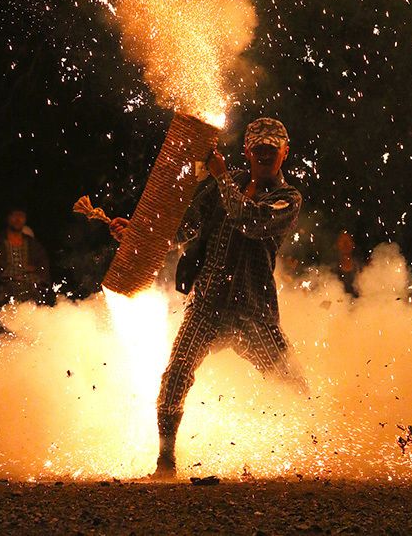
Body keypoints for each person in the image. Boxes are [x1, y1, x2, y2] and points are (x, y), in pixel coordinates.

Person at [110, 117, 308, 480]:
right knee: (175, 375)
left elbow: (250, 220)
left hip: (254, 312)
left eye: (272, 150)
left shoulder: (287, 197)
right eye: (259, 149)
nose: (265, 156)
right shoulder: (223, 183)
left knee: (291, 383)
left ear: (284, 153)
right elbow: (182, 229)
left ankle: (316, 448)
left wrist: (220, 177)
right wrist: (138, 238)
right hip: (208, 305)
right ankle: (165, 464)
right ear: (248, 151)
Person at [0, 204, 52, 325]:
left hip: (31, 295)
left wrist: (20, 276)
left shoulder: (33, 245)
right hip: (4, 296)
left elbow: (43, 272)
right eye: (14, 215)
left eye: (20, 215)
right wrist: (25, 270)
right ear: (8, 218)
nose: (17, 219)